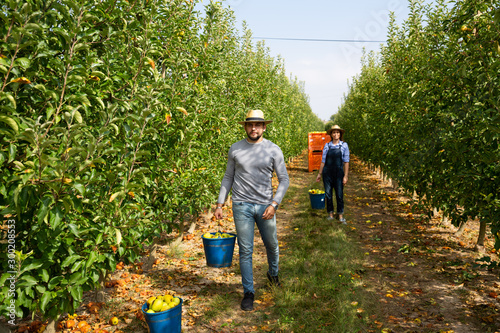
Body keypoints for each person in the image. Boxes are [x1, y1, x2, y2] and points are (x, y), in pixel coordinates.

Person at [215, 109, 290, 311]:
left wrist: (274, 204)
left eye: (258, 125)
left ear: (264, 127)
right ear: (245, 127)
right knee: (245, 250)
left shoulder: (274, 150)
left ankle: (273, 274)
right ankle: (249, 292)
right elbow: (228, 176)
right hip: (242, 206)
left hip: (266, 206)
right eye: (250, 124)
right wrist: (220, 203)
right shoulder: (235, 149)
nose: (253, 128)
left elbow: (284, 179)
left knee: (271, 245)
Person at [316, 125, 350, 224]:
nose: (336, 134)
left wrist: (346, 176)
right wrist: (319, 173)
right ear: (331, 134)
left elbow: (346, 161)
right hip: (327, 172)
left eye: (338, 132)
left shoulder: (344, 145)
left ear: (340, 134)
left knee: (339, 194)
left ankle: (340, 215)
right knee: (328, 194)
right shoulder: (327, 145)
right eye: (334, 132)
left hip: (339, 172)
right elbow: (323, 161)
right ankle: (330, 214)